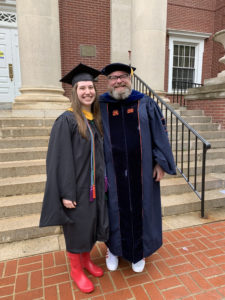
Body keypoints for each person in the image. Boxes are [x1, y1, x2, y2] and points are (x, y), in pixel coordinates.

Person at [99, 63, 176, 273]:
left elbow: (160, 133)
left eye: (123, 76)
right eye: (113, 78)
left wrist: (160, 162)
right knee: (113, 209)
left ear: (129, 78)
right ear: (108, 82)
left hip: (142, 172)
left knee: (143, 209)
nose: (118, 81)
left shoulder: (145, 103)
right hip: (112, 172)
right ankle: (113, 249)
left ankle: (139, 251)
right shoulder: (100, 106)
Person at [39, 63, 109, 293]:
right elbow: (59, 161)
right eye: (82, 88)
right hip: (76, 189)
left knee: (89, 226)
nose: (88, 91)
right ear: (74, 92)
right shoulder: (66, 121)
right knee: (76, 228)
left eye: (91, 87)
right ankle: (76, 270)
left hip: (93, 187)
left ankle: (86, 261)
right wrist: (66, 193)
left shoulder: (94, 119)